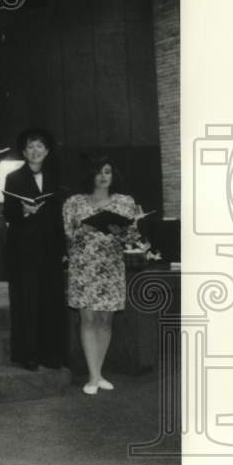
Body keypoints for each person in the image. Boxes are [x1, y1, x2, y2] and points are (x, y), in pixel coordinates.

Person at [62, 157, 142, 395]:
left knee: (105, 321)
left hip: (111, 267)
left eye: (107, 171)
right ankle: (93, 376)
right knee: (88, 320)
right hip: (84, 267)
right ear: (90, 176)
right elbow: (67, 235)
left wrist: (120, 231)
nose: (103, 176)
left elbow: (132, 238)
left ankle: (98, 373)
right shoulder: (74, 202)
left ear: (113, 175)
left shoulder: (125, 202)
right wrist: (84, 228)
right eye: (98, 172)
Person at [3, 127, 66, 370]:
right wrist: (23, 211)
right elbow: (8, 212)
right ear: (24, 151)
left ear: (47, 150)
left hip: (50, 248)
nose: (35, 150)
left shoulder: (55, 178)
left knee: (50, 301)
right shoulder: (14, 178)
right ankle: (26, 354)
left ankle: (51, 354)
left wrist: (62, 249)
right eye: (30, 146)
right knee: (26, 302)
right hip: (23, 249)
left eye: (40, 146)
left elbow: (60, 215)